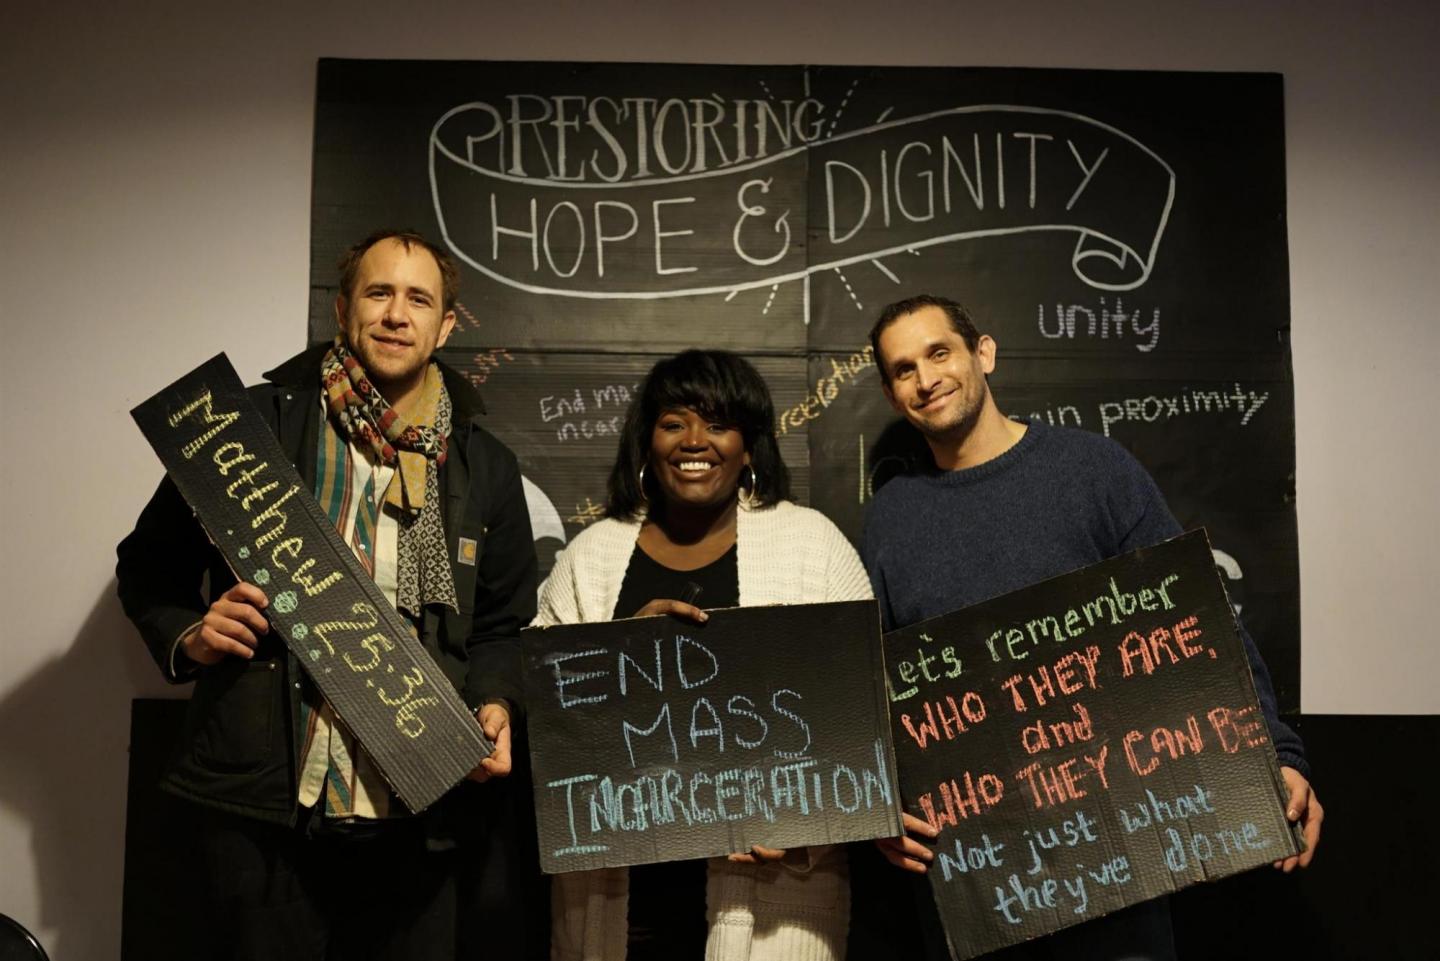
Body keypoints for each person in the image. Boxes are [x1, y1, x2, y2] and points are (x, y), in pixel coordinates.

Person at [859, 294, 1323, 961]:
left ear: (982, 353)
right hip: (979, 882)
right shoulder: (888, 521)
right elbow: (873, 686)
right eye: (904, 368)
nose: (925, 378)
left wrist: (1280, 753)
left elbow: (1197, 618)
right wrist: (879, 805)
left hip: (1120, 863)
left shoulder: (1093, 469)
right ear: (889, 390)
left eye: (939, 352)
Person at [115, 229, 538, 961]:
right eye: (378, 293)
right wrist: (190, 633)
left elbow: (501, 622)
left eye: (418, 299)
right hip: (267, 806)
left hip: (421, 805)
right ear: (343, 310)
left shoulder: (485, 464)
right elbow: (146, 567)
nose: (396, 314)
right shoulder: (249, 428)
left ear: (444, 326)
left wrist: (495, 699)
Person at [534, 350, 872, 961]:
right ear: (647, 440)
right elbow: (543, 720)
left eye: (717, 423)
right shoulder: (592, 556)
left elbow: (861, 716)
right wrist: (619, 658)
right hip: (616, 909)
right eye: (673, 423)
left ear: (749, 447)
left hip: (770, 907)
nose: (694, 441)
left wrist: (805, 832)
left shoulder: (813, 546)